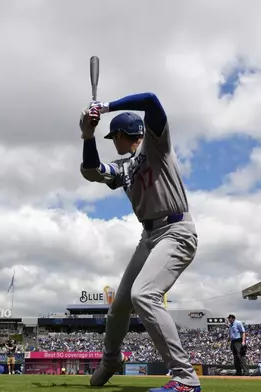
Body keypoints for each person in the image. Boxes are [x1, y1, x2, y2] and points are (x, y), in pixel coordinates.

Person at [79, 93, 201, 392]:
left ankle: (185, 379)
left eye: (113, 137)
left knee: (144, 295)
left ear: (122, 135)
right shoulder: (123, 167)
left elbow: (151, 100)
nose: (113, 142)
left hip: (176, 231)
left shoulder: (155, 144)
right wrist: (88, 134)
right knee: (119, 307)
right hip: (148, 237)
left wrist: (105, 107)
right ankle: (111, 360)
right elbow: (92, 170)